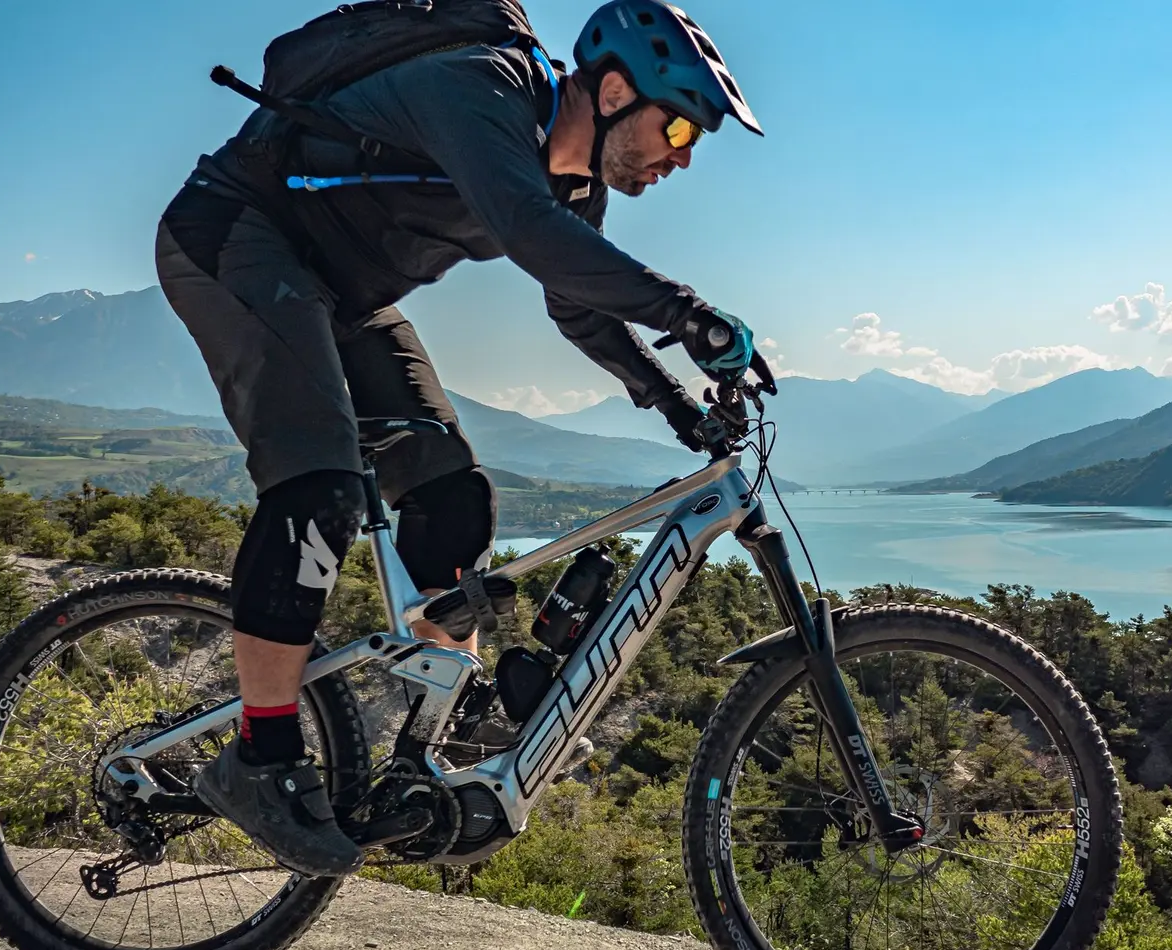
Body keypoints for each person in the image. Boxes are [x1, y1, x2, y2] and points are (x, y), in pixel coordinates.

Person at [155, 0, 766, 877]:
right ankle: (262, 755)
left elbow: (576, 304)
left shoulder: (576, 187)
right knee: (319, 493)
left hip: (343, 295)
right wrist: (687, 312)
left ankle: (429, 742)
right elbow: (531, 237)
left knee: (452, 500)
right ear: (617, 88)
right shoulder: (482, 88)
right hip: (234, 235)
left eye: (692, 138)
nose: (682, 153)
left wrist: (673, 404)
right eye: (676, 124)